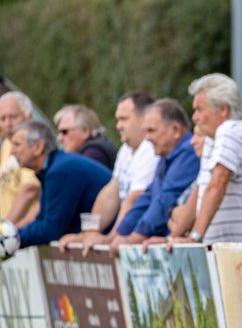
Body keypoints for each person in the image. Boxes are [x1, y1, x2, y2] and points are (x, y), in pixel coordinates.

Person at [78, 99, 200, 248]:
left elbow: (164, 199)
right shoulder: (165, 155)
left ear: (175, 130)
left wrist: (135, 236)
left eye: (151, 131)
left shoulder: (188, 152)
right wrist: (120, 235)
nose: (147, 137)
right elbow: (148, 197)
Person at [167, 74, 242, 244]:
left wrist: (195, 237)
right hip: (230, 252)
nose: (194, 117)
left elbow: (217, 183)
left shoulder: (230, 130)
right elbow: (200, 193)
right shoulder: (213, 139)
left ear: (223, 110)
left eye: (199, 109)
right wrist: (171, 240)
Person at [57, 92, 158, 250]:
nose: (118, 126)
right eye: (118, 119)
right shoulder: (126, 149)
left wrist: (112, 237)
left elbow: (135, 198)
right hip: (129, 239)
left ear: (144, 118)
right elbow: (111, 193)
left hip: (146, 240)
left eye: (124, 119)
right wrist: (89, 232)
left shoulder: (150, 149)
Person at [9, 121, 110, 247]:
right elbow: (42, 220)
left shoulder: (60, 171)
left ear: (38, 147)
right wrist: (14, 235)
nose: (12, 151)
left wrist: (12, 239)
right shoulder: (52, 167)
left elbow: (51, 230)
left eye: (17, 144)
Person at [0, 90, 40, 226]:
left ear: (29, 117)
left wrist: (5, 229)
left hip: (23, 236)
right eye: (3, 119)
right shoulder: (6, 143)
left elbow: (30, 189)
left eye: (13, 117)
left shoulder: (33, 144)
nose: (8, 124)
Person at [53, 104, 117, 169]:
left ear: (85, 131)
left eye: (64, 132)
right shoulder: (97, 147)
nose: (59, 138)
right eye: (58, 132)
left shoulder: (94, 153)